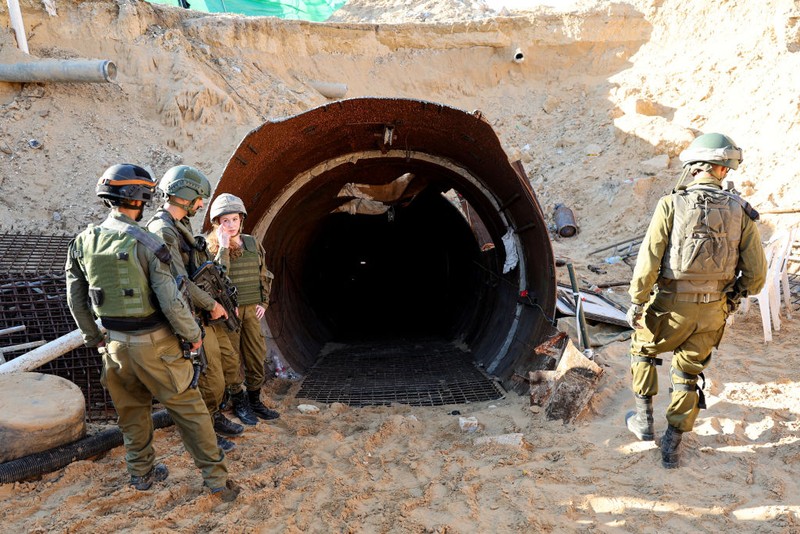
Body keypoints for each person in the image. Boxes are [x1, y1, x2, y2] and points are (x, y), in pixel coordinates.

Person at [65, 164, 239, 501]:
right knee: (191, 412)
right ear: (139, 198)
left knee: (132, 416)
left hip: (114, 346)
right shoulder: (147, 242)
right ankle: (217, 481)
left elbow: (75, 300)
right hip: (157, 346)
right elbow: (171, 300)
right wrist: (193, 336)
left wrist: (95, 339)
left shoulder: (82, 241)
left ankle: (141, 474)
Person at [624, 133, 767, 468]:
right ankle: (672, 446)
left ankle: (644, 424)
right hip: (713, 312)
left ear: (694, 167)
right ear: (723, 169)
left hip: (670, 305)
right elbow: (757, 276)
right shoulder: (741, 212)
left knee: (642, 349)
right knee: (688, 373)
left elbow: (649, 259)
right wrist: (730, 300)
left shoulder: (671, 204)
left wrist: (638, 302)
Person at [145, 165, 244, 452]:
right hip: (185, 314)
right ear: (186, 196)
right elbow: (180, 282)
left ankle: (213, 417)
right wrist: (211, 303)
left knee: (215, 370)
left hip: (197, 310)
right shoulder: (163, 229)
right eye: (199, 198)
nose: (201, 205)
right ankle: (205, 432)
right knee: (202, 374)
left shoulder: (181, 225)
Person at [206, 193, 280, 423]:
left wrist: (264, 302)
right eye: (225, 220)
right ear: (218, 223)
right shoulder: (212, 247)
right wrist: (224, 248)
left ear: (241, 220)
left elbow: (263, 274)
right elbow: (217, 278)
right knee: (231, 360)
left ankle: (255, 400)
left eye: (234, 219)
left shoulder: (252, 243)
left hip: (251, 310)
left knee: (256, 356)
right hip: (229, 314)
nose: (230, 225)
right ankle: (239, 402)